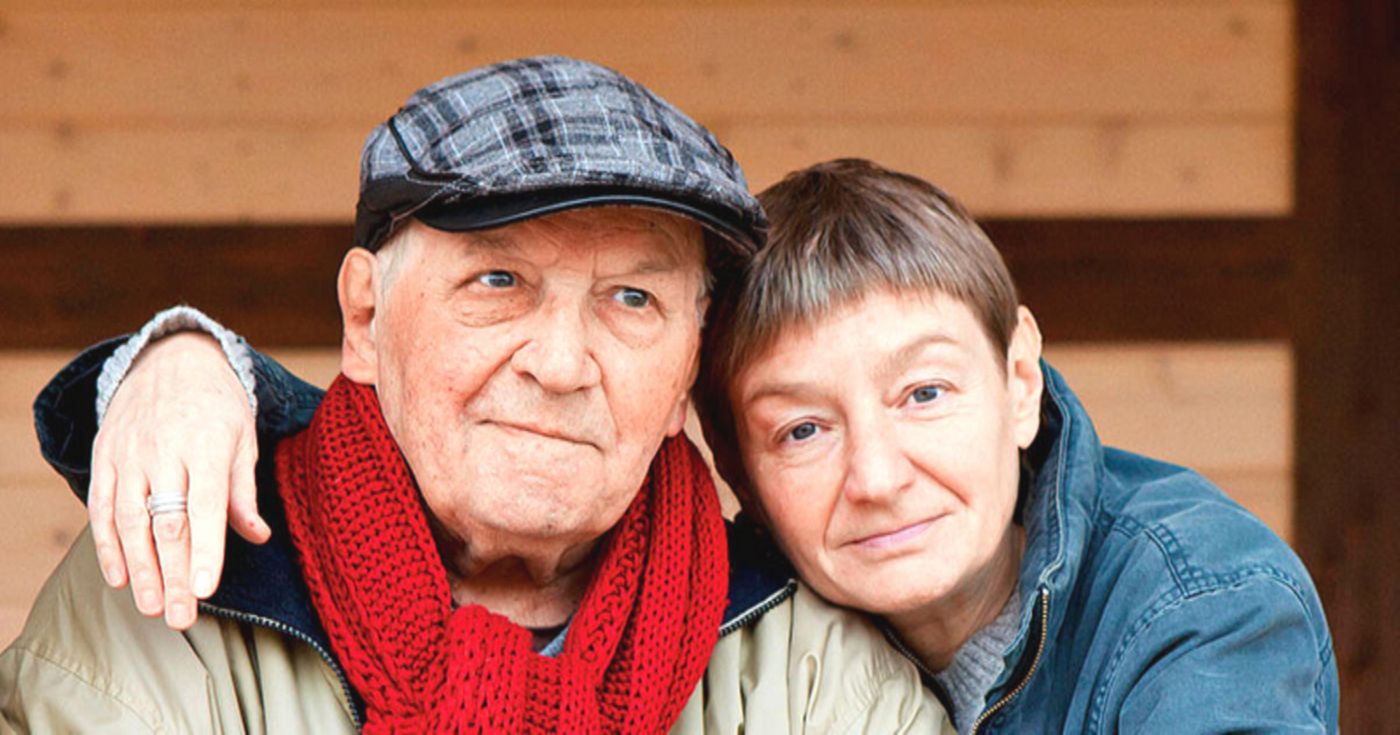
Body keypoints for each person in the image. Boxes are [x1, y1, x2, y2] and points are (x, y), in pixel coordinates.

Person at [43, 157, 1342, 733]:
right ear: (729, 458)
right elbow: (426, 444)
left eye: (925, 394)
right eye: (801, 427)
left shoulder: (1197, 607)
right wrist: (183, 360)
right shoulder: (779, 597)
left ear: (1018, 382)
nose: (875, 472)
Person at [0, 60, 944, 733]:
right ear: (366, 318)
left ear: (686, 374)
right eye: (498, 281)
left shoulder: (809, 659)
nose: (562, 364)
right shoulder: (177, 591)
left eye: (632, 299)